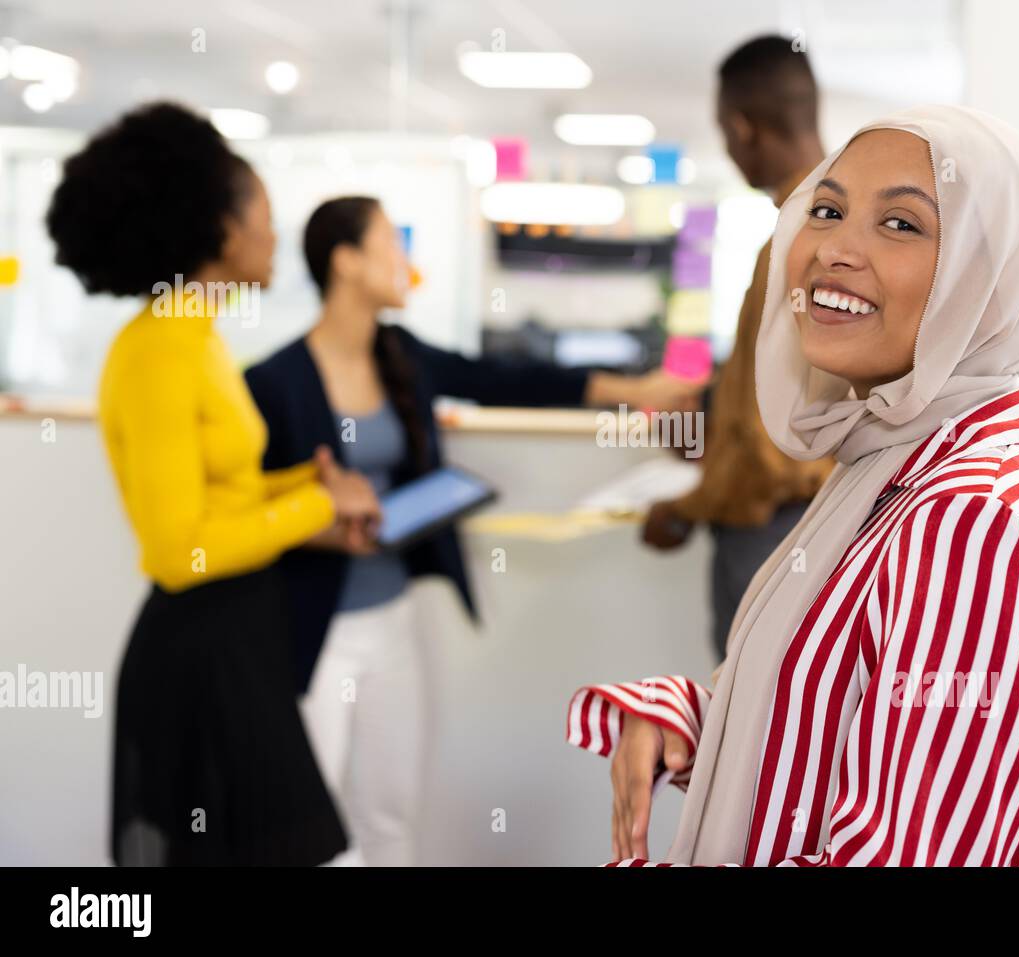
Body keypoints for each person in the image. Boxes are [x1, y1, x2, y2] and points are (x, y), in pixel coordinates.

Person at [566, 105, 1019, 866]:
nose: (835, 248)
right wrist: (694, 719)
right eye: (827, 209)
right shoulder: (892, 457)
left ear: (987, 281)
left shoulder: (970, 523)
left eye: (903, 225)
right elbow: (840, 732)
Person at [244, 195, 703, 866]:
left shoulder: (399, 354)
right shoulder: (274, 381)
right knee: (312, 828)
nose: (407, 262)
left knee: (390, 811)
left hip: (393, 621)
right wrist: (322, 523)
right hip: (312, 628)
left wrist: (634, 389)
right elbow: (249, 507)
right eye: (390, 245)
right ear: (345, 261)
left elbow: (504, 377)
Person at [45, 103, 381, 866]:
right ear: (227, 234)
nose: (275, 235)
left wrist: (307, 484)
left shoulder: (198, 335)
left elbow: (222, 491)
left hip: (241, 639)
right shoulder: (159, 348)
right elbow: (177, 550)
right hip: (199, 653)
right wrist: (318, 504)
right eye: (264, 215)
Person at [641, 35, 835, 661]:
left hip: (772, 537)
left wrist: (682, 507)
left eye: (725, 134)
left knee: (749, 734)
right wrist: (710, 423)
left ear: (742, 127)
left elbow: (773, 453)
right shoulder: (838, 227)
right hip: (813, 531)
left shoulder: (794, 244)